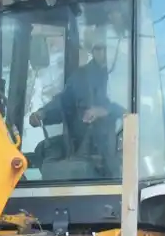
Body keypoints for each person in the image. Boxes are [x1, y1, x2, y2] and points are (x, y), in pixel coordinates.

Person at [27, 41, 123, 175]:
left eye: (106, 48)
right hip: (81, 145)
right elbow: (63, 103)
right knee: (42, 150)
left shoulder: (125, 74)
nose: (103, 53)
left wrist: (105, 111)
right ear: (93, 50)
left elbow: (138, 109)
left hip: (116, 147)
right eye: (99, 48)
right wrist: (43, 114)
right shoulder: (81, 77)